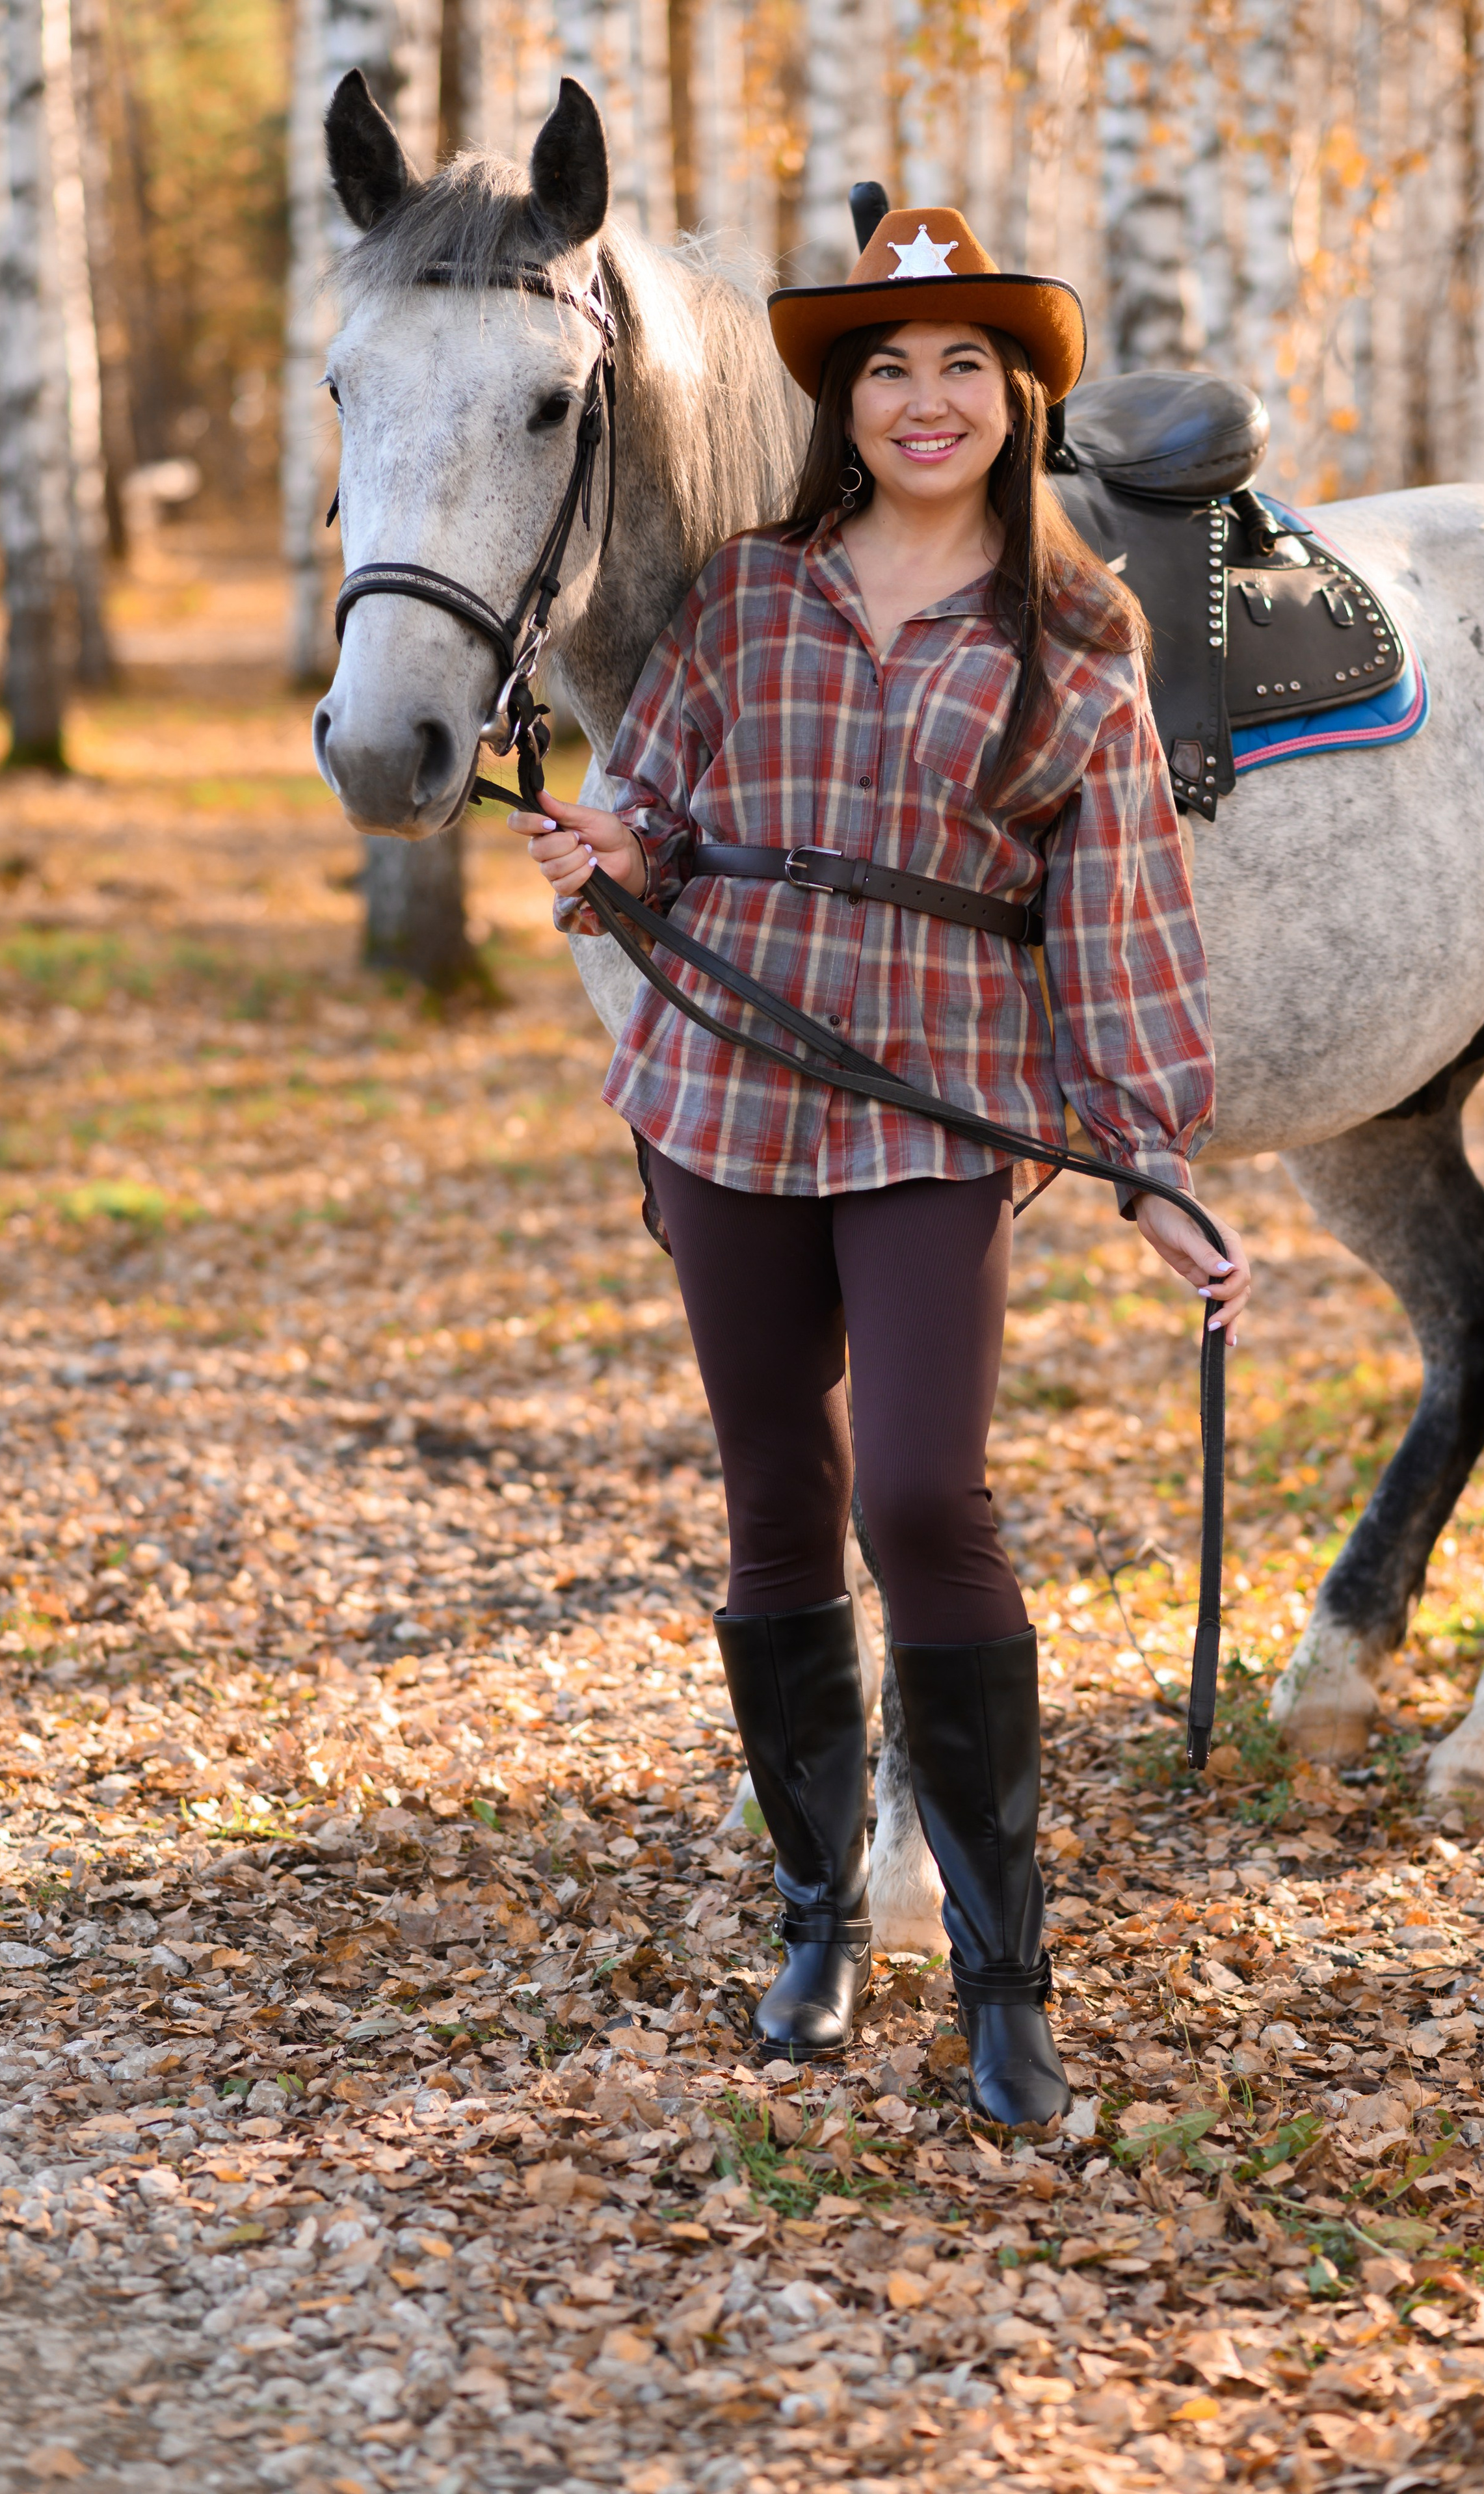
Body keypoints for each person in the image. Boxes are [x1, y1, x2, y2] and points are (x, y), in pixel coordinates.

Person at [510, 207, 1251, 2127]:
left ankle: (1007, 1979)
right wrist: (615, 853)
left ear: (1018, 400)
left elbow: (1121, 914)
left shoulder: (1081, 635)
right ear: (844, 400)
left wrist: (1149, 1154)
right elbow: (664, 799)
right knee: (780, 1500)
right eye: (888, 369)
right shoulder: (749, 594)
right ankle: (824, 1909)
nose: (926, 401)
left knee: (928, 1496)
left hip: (932, 1103)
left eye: (965, 369)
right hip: (728, 1095)